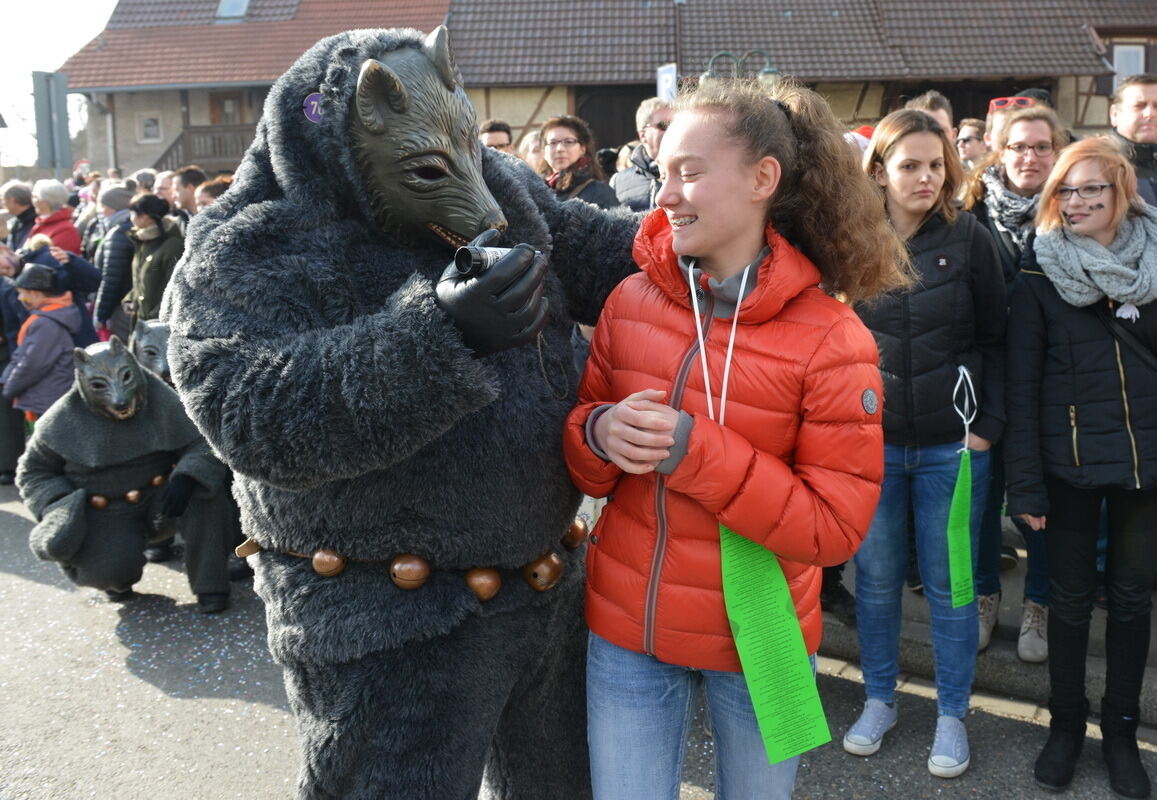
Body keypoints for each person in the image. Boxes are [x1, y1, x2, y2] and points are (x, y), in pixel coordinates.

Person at [564, 80, 907, 799]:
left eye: (690, 172)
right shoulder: (629, 301)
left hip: (760, 640)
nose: (665, 195)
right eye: (662, 173)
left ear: (762, 179)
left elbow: (834, 529)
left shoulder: (832, 339)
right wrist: (598, 431)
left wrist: (697, 453)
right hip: (628, 630)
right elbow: (584, 466)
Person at [847, 108, 1005, 778]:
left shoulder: (970, 238)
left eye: (935, 165)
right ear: (878, 171)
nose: (925, 177)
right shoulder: (850, 241)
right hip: (871, 450)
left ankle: (950, 713)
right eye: (909, 164)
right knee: (876, 584)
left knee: (950, 587)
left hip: (950, 448)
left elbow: (999, 338)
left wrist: (984, 428)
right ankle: (878, 699)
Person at [1006, 136, 1157, 798]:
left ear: (1120, 192)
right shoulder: (1037, 271)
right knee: (1067, 604)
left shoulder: (1154, 263)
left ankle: (1120, 731)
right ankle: (1064, 726)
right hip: (1065, 467)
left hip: (1144, 467)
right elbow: (1020, 384)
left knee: (1129, 602)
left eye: (1091, 188)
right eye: (1064, 190)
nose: (1075, 201)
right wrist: (1024, 482)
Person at [962, 104, 1066, 662]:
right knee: (981, 506)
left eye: (1041, 147)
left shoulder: (1071, 210)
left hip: (1050, 387)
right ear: (997, 151)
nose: (1030, 157)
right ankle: (984, 597)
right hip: (981, 384)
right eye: (1018, 146)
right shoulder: (968, 214)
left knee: (1040, 506)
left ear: (1057, 151)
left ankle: (1039, 607)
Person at [0, 264, 81, 423]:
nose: (19, 298)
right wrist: (4, 381)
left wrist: (9, 389)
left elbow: (32, 363)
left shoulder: (45, 323)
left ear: (35, 293)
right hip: (47, 397)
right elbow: (21, 355)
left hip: (49, 400)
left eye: (22, 293)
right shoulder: (46, 318)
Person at [538, 115, 620, 209]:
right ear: (544, 152)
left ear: (582, 149)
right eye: (553, 143)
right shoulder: (533, 189)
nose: (560, 149)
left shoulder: (599, 191)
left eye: (568, 142)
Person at [127, 193, 184, 326]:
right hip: (142, 321)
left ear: (145, 217)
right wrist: (130, 299)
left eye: (133, 213)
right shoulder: (142, 240)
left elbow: (176, 287)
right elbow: (140, 280)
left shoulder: (173, 245)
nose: (130, 218)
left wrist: (156, 316)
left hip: (159, 325)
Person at [609, 97, 672, 211]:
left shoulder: (690, 173)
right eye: (664, 125)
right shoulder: (617, 182)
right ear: (643, 135)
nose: (672, 130)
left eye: (674, 124)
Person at [1110, 73, 1157, 205]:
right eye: (1139, 106)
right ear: (1115, 114)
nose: (1150, 114)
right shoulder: (1096, 165)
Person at [27, 180, 81, 255]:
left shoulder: (66, 230)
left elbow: (54, 261)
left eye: (35, 197)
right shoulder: (42, 223)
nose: (32, 201)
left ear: (44, 203)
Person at [2, 181, 37, 251]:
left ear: (13, 200)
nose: (3, 203)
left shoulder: (35, 222)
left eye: (3, 200)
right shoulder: (17, 221)